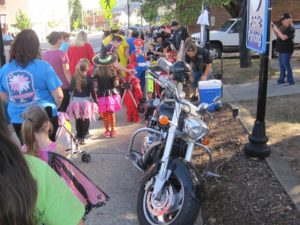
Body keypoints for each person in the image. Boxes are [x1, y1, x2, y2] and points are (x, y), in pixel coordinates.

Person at [0, 99, 85, 225]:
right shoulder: (58, 149)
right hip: (58, 199)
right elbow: (67, 175)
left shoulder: (22, 153)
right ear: (47, 125)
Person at [0, 29, 63, 141]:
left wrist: (17, 101)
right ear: (35, 47)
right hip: (44, 116)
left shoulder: (5, 70)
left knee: (28, 153)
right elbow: (59, 96)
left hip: (18, 119)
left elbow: (3, 96)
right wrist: (55, 106)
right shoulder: (44, 67)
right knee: (47, 152)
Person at [67, 59, 98, 145]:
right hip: (86, 102)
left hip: (76, 102)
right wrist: (95, 101)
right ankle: (84, 137)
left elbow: (70, 89)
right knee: (86, 119)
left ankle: (79, 135)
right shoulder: (89, 78)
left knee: (78, 118)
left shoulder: (74, 78)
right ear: (87, 68)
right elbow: (93, 92)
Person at [93, 53, 122, 138]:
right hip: (112, 95)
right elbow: (116, 84)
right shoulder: (113, 71)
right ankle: (113, 131)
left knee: (104, 114)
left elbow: (95, 85)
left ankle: (107, 131)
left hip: (102, 95)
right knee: (111, 113)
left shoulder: (96, 72)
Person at [43, 31, 72, 112]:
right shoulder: (62, 54)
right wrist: (72, 84)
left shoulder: (45, 54)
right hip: (63, 85)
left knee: (54, 110)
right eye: (61, 39)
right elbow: (66, 71)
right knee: (64, 110)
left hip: (50, 86)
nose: (62, 41)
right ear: (58, 40)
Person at [272, 13, 295, 85]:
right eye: (282, 20)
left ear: (289, 19)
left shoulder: (291, 28)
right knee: (281, 65)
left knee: (286, 64)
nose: (283, 21)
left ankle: (290, 81)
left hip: (287, 49)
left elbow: (284, 38)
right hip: (281, 49)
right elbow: (278, 36)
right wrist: (273, 28)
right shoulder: (282, 27)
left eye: (284, 19)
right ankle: (281, 79)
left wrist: (277, 30)